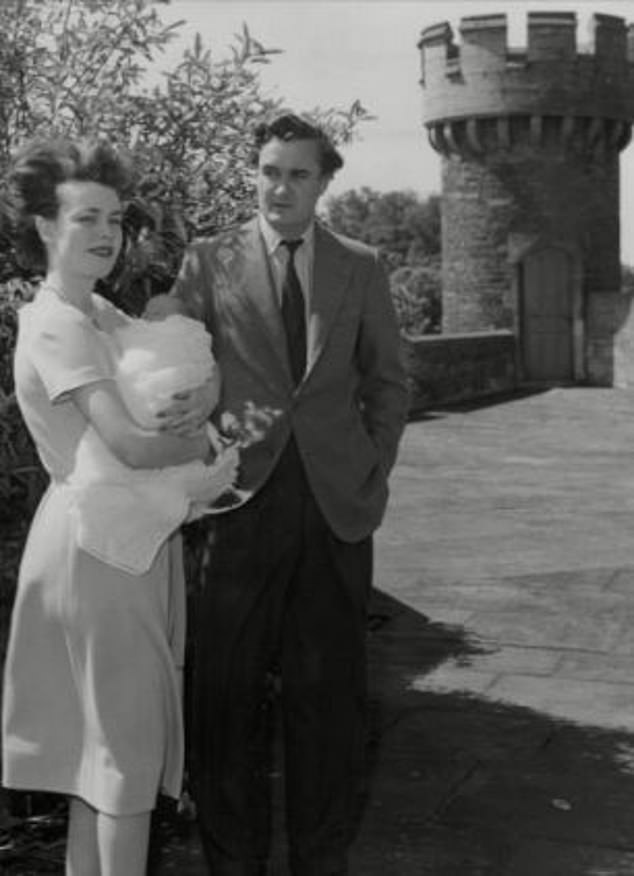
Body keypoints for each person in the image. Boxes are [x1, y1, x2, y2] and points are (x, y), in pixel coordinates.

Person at [155, 112, 410, 876]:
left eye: (299, 173)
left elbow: (388, 383)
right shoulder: (208, 261)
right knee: (224, 696)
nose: (280, 187)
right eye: (269, 170)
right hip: (238, 505)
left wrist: (370, 468)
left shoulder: (359, 264)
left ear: (325, 181)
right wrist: (199, 446)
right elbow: (174, 371)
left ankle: (319, 860)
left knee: (329, 701)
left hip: (335, 507)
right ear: (254, 173)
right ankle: (233, 863)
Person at [1, 138, 236, 876]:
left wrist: (211, 391)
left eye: (114, 218)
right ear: (45, 227)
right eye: (85, 219)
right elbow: (133, 444)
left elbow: (178, 375)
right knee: (126, 760)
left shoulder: (99, 310)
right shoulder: (58, 323)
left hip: (125, 539)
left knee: (97, 765)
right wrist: (207, 440)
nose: (106, 234)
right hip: (99, 549)